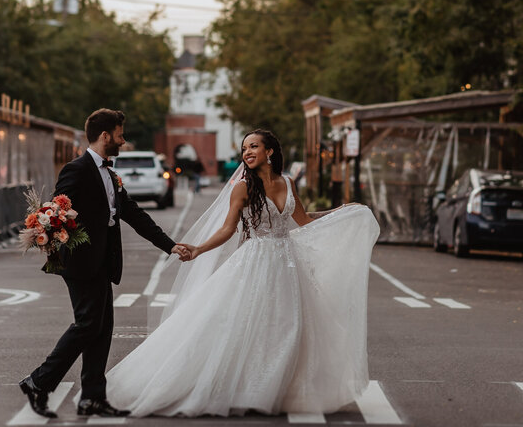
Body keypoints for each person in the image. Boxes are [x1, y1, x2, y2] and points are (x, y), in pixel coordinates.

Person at [104, 129, 379, 418]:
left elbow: (304, 219)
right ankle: (240, 388)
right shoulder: (242, 188)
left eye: (254, 147)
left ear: (269, 151)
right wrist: (198, 249)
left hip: (287, 264)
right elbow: (227, 229)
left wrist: (342, 211)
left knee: (287, 326)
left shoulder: (287, 183)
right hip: (255, 262)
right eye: (245, 148)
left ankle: (272, 389)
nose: (247, 152)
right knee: (241, 324)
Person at [18, 109, 189, 420]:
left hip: (102, 263)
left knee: (102, 328)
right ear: (106, 135)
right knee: (87, 324)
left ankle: (92, 398)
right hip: (80, 263)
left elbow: (133, 214)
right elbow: (57, 211)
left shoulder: (110, 175)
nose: (123, 141)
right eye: (120, 134)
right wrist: (57, 243)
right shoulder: (77, 170)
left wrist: (170, 245)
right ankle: (39, 381)